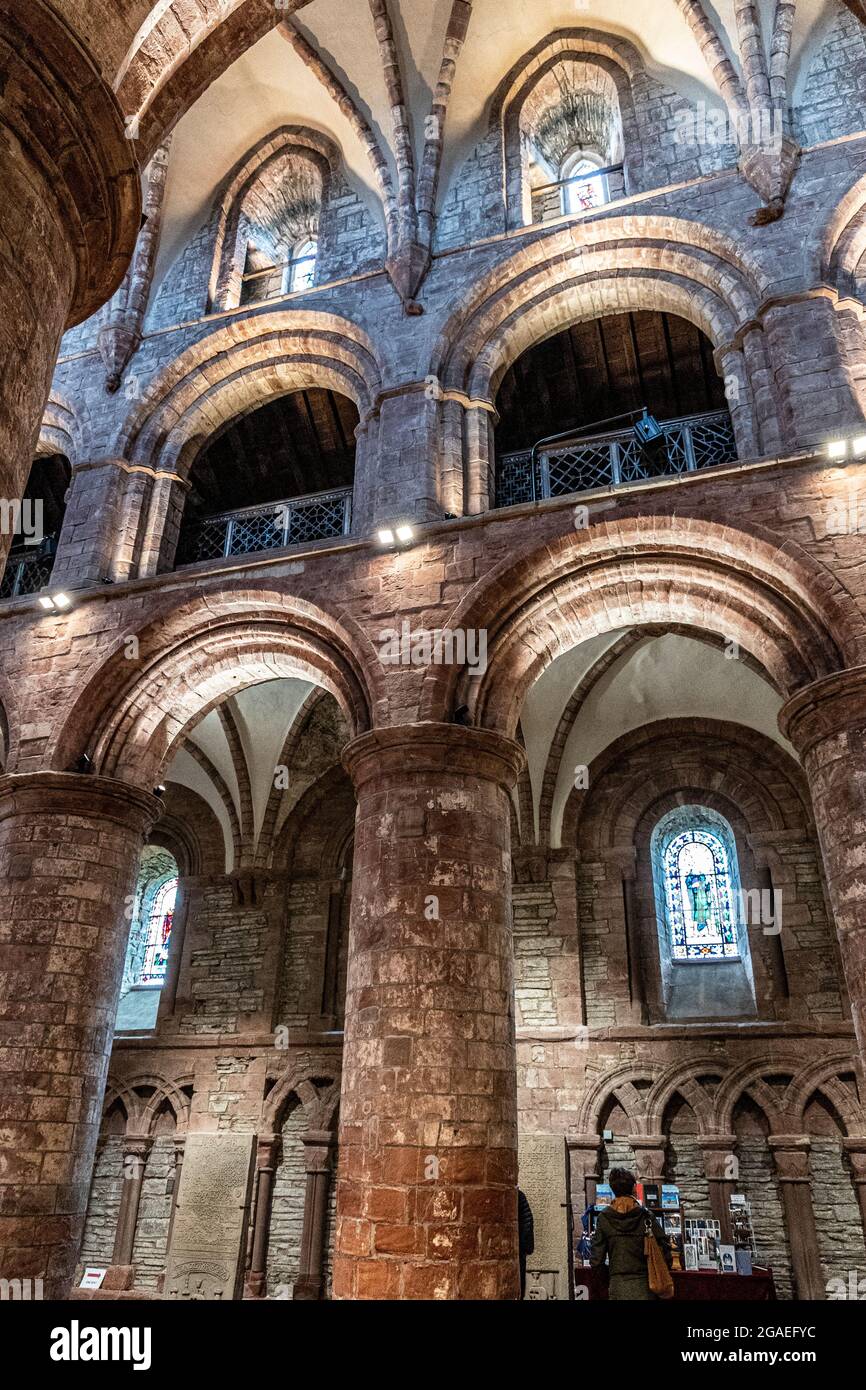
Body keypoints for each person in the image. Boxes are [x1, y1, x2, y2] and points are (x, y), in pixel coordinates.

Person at [590, 1167, 672, 1300]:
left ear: (612, 1188)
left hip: (618, 1285)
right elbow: (664, 1249)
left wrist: (608, 1279)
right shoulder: (646, 1216)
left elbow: (596, 1260)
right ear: (633, 1187)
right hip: (645, 1285)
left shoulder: (604, 1218)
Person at [517, 1188, 534, 1299]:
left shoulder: (518, 1197)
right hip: (519, 1249)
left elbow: (527, 1222)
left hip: (518, 1249)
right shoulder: (519, 1196)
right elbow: (528, 1221)